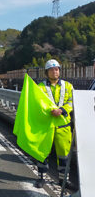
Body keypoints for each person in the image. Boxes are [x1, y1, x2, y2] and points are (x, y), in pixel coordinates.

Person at [35, 59, 74, 189]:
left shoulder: (68, 86)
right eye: (52, 70)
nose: (55, 71)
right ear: (47, 72)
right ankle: (41, 178)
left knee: (64, 154)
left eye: (56, 69)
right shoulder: (40, 87)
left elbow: (71, 102)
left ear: (59, 71)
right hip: (46, 125)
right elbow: (37, 104)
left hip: (63, 126)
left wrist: (62, 110)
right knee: (42, 153)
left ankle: (64, 180)